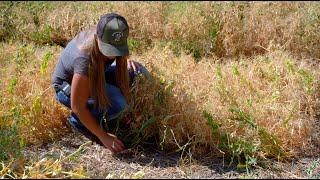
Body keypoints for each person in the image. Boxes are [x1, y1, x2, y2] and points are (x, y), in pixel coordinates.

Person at [51, 13, 151, 154]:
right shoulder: (83, 59)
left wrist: (132, 110)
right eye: (108, 48)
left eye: (117, 49)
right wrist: (103, 136)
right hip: (67, 88)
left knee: (139, 73)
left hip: (96, 74)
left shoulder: (108, 34)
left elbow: (119, 69)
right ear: (98, 37)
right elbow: (77, 105)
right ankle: (77, 122)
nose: (112, 55)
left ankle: (105, 112)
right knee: (119, 103)